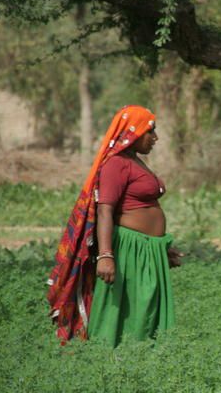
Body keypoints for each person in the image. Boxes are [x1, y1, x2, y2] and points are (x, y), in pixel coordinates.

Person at [47, 105, 182, 346]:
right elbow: (105, 210)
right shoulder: (116, 164)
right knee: (128, 308)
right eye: (150, 131)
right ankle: (110, 360)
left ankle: (144, 361)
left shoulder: (134, 161)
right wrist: (106, 255)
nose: (155, 138)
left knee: (146, 306)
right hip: (128, 249)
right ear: (133, 132)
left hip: (147, 249)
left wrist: (160, 248)